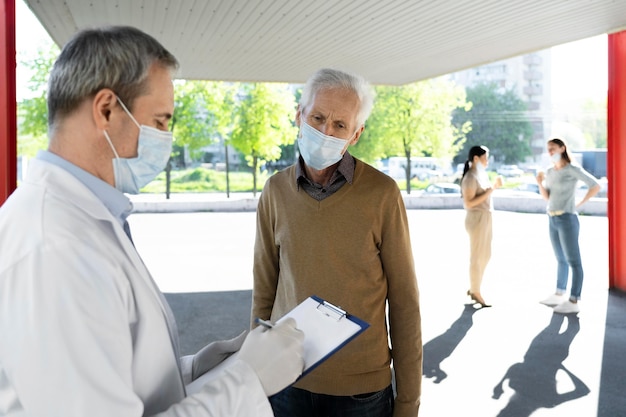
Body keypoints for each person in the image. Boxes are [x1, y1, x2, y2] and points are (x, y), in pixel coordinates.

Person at [0, 26, 305, 416]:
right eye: (160, 121)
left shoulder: (83, 220)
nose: (166, 138)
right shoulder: (55, 250)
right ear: (106, 109)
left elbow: (114, 376)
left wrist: (195, 369)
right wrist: (248, 380)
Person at [251, 68, 422, 417]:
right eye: (317, 117)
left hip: (361, 394)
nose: (325, 131)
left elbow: (404, 302)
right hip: (285, 384)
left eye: (340, 125)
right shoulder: (275, 191)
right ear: (299, 115)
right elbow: (264, 293)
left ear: (355, 134)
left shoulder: (382, 194)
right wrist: (252, 374)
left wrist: (408, 402)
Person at [537, 138, 600, 314]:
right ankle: (559, 293)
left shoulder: (572, 169)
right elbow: (547, 198)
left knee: (574, 261)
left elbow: (595, 185)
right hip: (552, 218)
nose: (550, 152)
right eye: (548, 149)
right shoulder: (550, 171)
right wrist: (539, 182)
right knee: (560, 259)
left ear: (562, 148)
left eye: (553, 149)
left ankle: (574, 300)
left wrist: (580, 203)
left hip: (567, 218)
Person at [460, 145, 502, 308]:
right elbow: (469, 202)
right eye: (485, 158)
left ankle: (474, 287)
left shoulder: (479, 175)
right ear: (476, 158)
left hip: (484, 217)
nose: (487, 161)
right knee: (477, 257)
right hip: (476, 218)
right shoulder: (470, 177)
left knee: (485, 255)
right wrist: (492, 189)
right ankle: (475, 290)